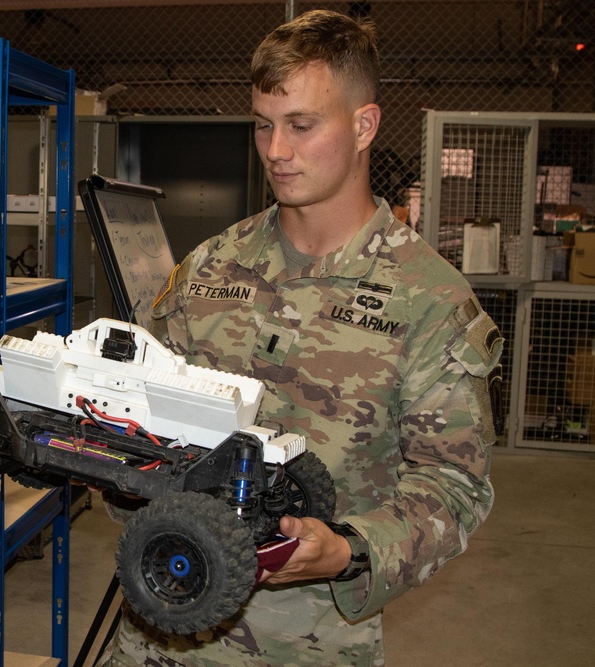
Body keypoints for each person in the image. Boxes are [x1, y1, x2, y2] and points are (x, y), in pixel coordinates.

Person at [97, 9, 503, 666]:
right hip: (160, 627)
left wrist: (348, 547)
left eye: (301, 126)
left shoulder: (429, 300)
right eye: (263, 125)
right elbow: (139, 419)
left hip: (306, 643)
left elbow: (454, 485)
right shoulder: (208, 269)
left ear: (364, 125)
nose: (276, 150)